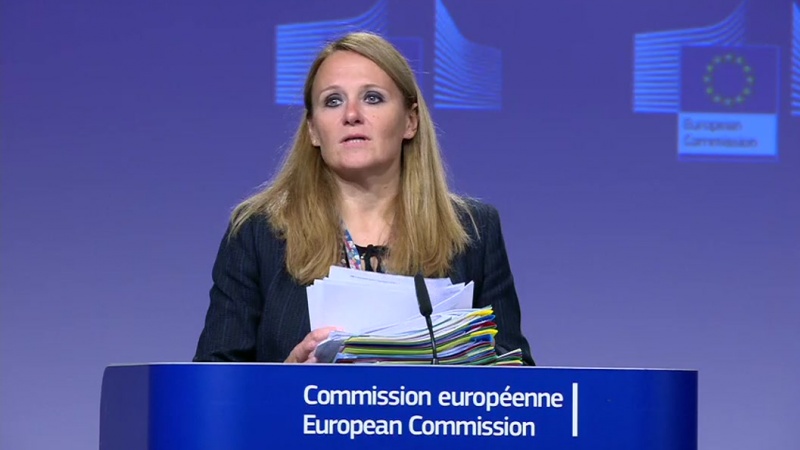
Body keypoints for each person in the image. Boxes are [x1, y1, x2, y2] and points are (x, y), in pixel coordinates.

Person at [193, 31, 534, 365]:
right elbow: (212, 379)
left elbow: (518, 380)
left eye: (372, 98)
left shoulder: (475, 231)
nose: (351, 114)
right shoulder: (258, 233)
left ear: (410, 121)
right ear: (313, 130)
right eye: (333, 101)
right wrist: (287, 380)